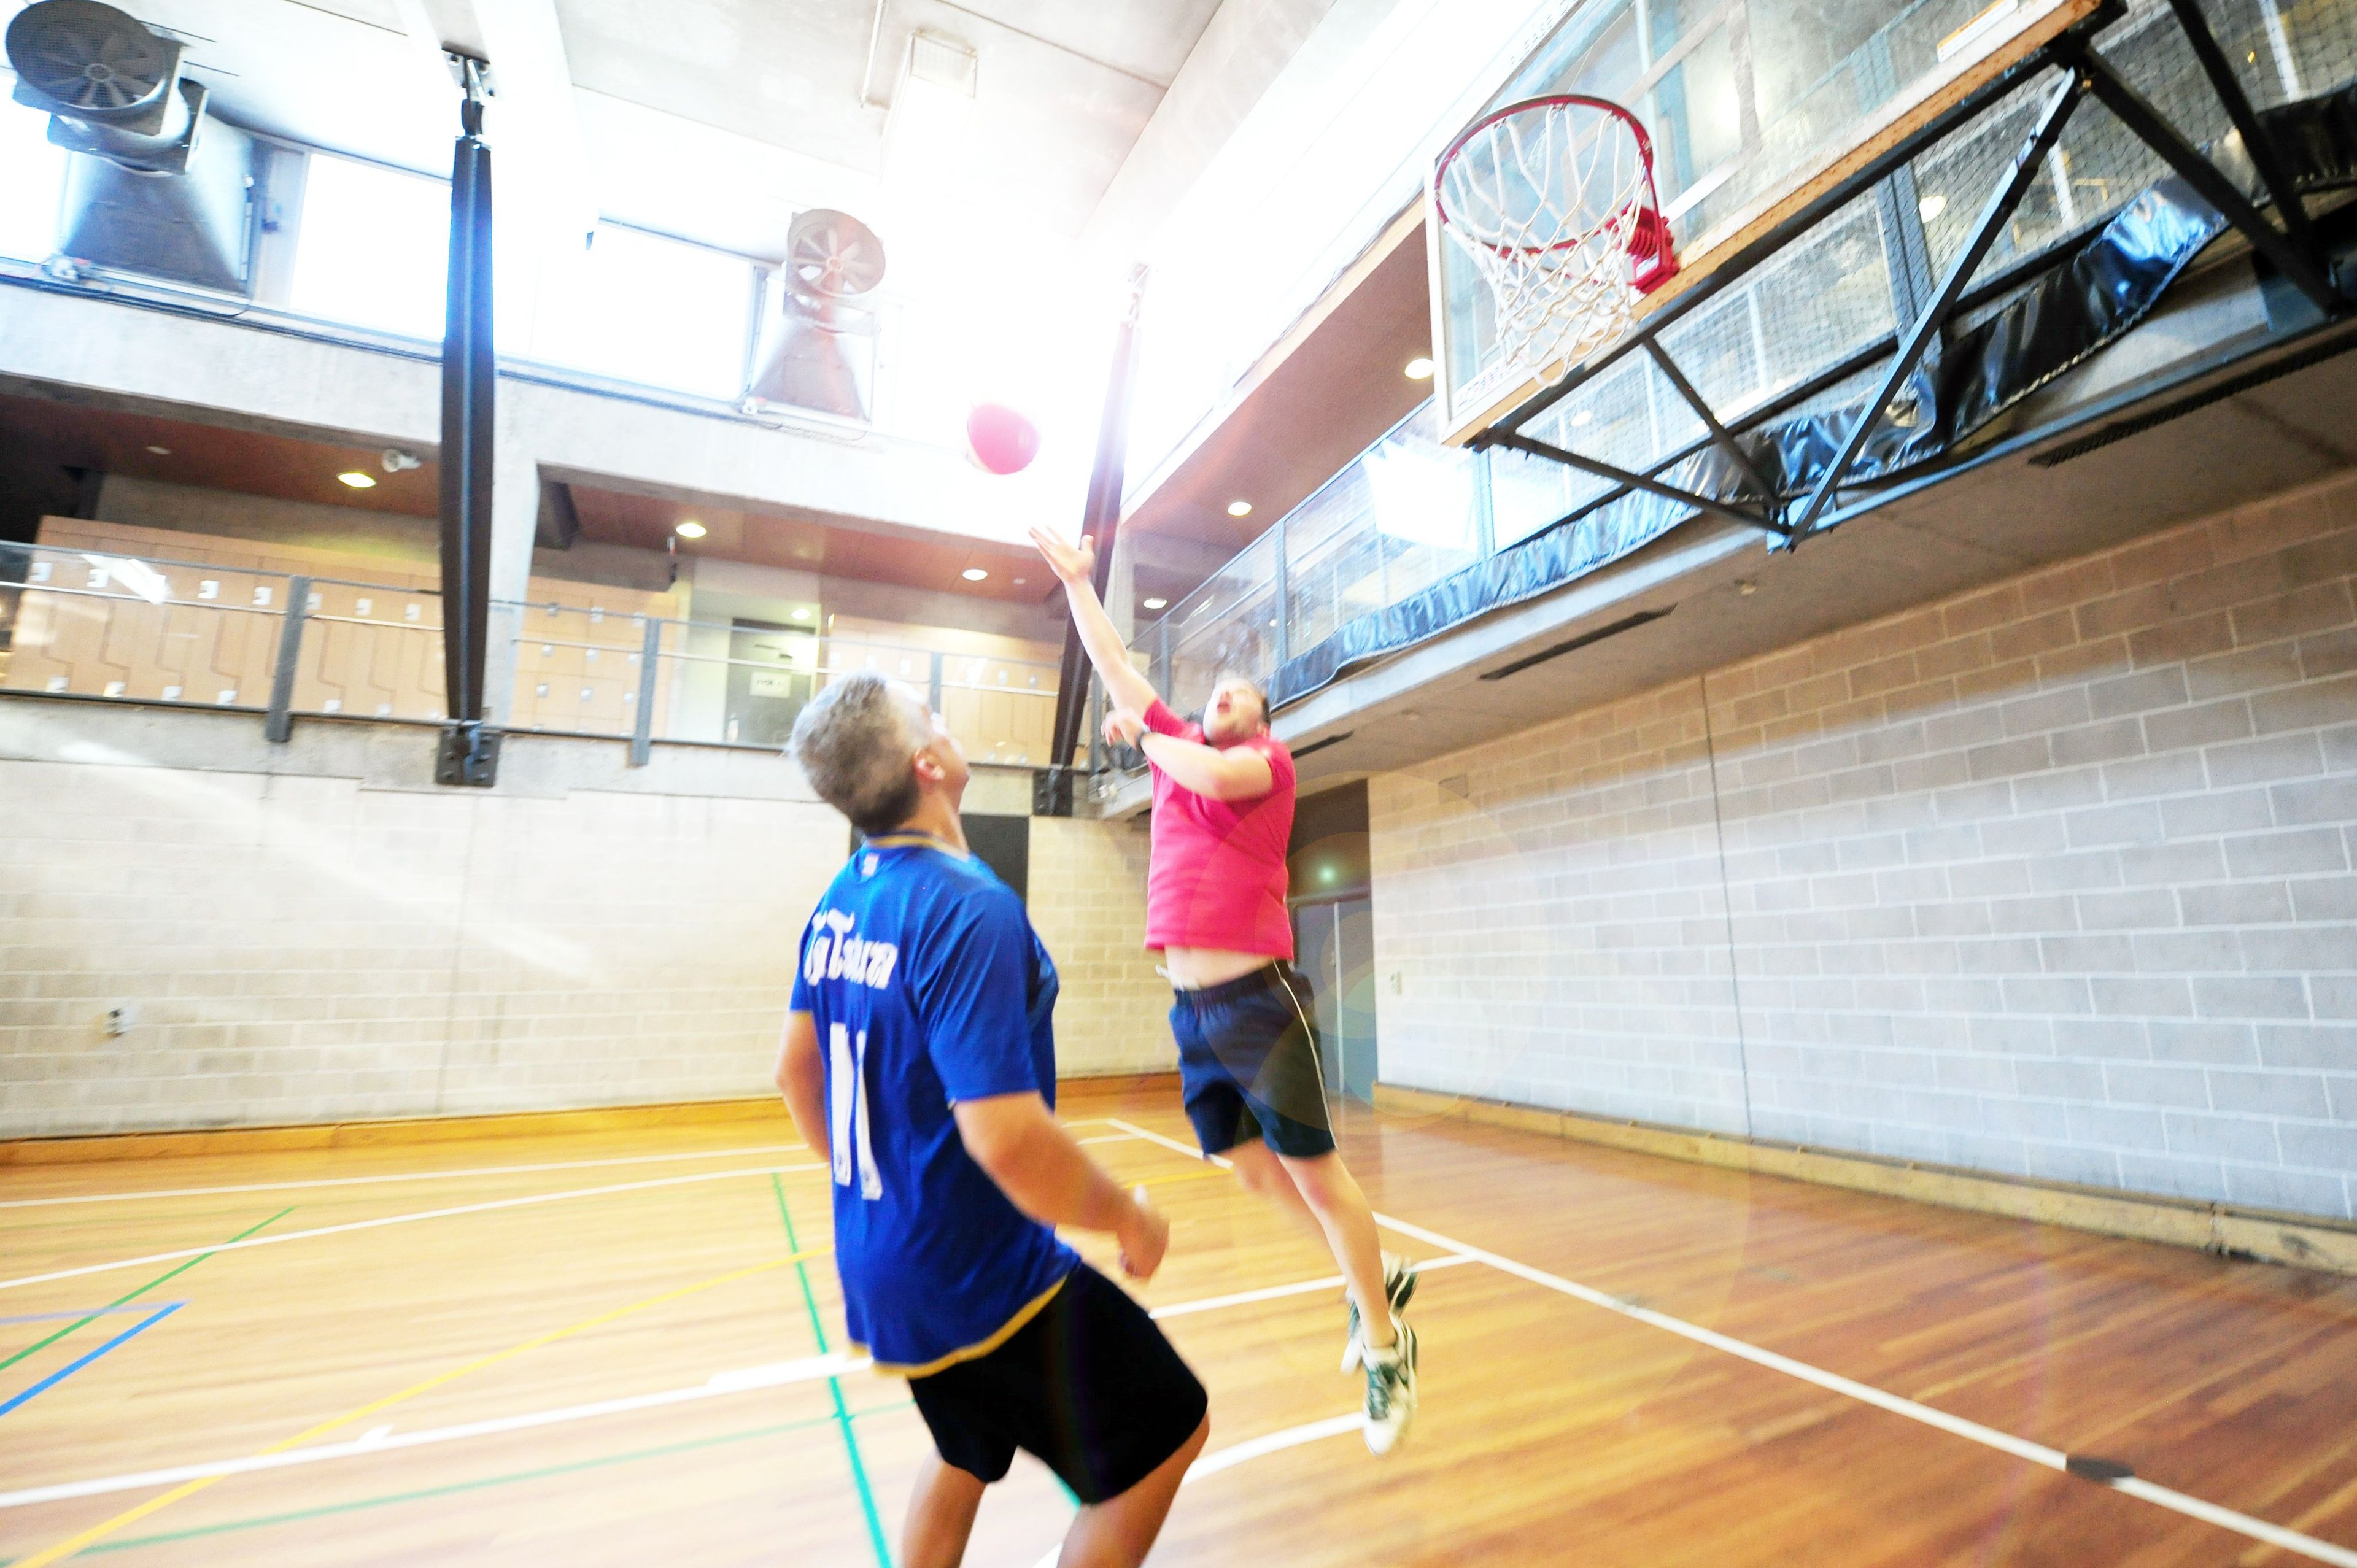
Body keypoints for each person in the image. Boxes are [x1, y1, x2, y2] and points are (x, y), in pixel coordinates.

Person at [776, 672, 1210, 1568]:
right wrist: (1127, 1215)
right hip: (978, 1279)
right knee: (1167, 1433)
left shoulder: (843, 899)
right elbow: (1005, 1138)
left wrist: (883, 1186)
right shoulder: (968, 907)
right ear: (928, 762)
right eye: (930, 715)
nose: (945, 721)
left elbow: (794, 1073)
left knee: (965, 1450)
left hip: (886, 1271)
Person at [1028, 525, 1420, 1454]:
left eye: (1240, 693)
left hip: (1255, 999)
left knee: (1318, 1177)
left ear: (1261, 721)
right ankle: (1377, 1272)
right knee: (1247, 1168)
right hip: (1192, 1008)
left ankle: (1386, 1342)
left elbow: (1198, 764)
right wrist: (1082, 585)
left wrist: (1150, 737)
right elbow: (1114, 660)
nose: (1224, 693)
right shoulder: (1176, 744)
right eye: (1215, 690)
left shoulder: (1263, 767)